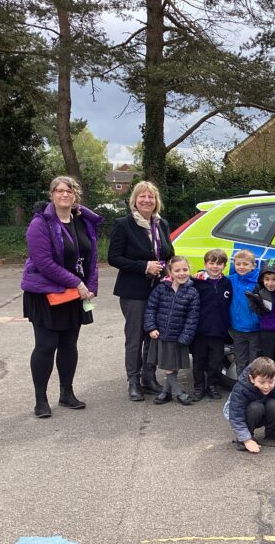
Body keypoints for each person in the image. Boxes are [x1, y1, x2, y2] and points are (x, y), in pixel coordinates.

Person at [21, 176, 103, 418]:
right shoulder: (40, 224)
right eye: (59, 191)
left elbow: (92, 257)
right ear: (52, 195)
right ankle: (40, 399)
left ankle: (66, 394)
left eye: (69, 191)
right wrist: (77, 283)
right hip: (46, 293)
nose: (64, 194)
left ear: (75, 195)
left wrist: (91, 286)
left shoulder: (83, 221)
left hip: (75, 295)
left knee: (69, 345)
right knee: (46, 346)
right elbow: (44, 263)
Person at [108, 181, 175, 401]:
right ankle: (134, 381)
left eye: (151, 197)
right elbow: (114, 257)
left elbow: (168, 253)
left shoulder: (161, 224)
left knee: (153, 336)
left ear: (156, 201)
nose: (147, 200)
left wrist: (170, 270)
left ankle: (149, 377)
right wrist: (144, 266)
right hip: (133, 292)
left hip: (158, 291)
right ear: (134, 200)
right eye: (142, 197)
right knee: (135, 337)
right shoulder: (124, 224)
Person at [143, 256, 200, 405]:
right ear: (170, 272)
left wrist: (186, 336)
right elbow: (150, 308)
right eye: (177, 270)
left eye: (185, 269)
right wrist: (151, 327)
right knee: (168, 366)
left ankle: (165, 393)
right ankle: (179, 393)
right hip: (161, 335)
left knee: (173, 366)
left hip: (178, 336)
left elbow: (192, 317)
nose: (182, 273)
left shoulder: (192, 292)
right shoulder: (161, 288)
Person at [190, 249, 232, 400]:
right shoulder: (197, 282)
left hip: (219, 331)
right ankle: (199, 387)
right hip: (200, 331)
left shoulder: (227, 283)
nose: (215, 266)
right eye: (211, 263)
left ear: (224, 265)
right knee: (198, 361)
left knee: (216, 362)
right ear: (205, 264)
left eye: (219, 263)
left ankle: (212, 386)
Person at [223, 357, 275, 453]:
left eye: (271, 381)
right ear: (252, 378)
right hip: (248, 414)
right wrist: (246, 439)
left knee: (274, 404)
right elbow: (236, 415)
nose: (267, 386)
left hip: (264, 411)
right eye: (262, 382)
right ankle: (246, 438)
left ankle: (271, 433)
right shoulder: (241, 388)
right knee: (255, 407)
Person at [228, 249, 261, 374]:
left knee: (255, 362)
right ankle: (241, 388)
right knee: (240, 360)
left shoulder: (260, 281)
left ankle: (255, 388)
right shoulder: (231, 280)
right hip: (237, 329)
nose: (241, 267)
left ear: (253, 265)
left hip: (255, 329)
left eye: (245, 264)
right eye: (238, 264)